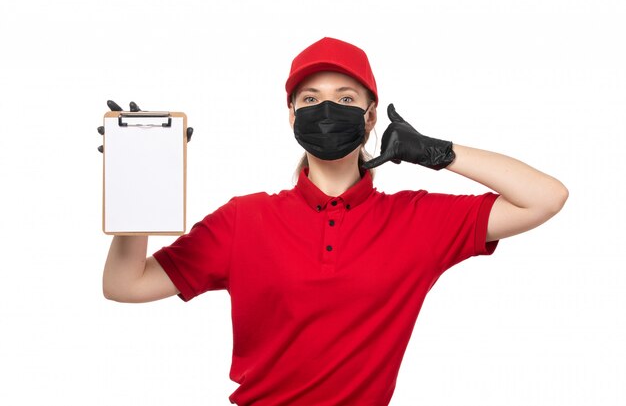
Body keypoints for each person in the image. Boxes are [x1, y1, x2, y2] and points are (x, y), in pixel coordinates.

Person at [101, 37, 568, 406]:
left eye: (345, 98)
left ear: (369, 118)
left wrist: (437, 153)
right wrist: (135, 194)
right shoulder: (244, 218)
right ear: (291, 116)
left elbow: (545, 198)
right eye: (310, 98)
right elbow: (126, 285)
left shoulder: (418, 219)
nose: (327, 110)